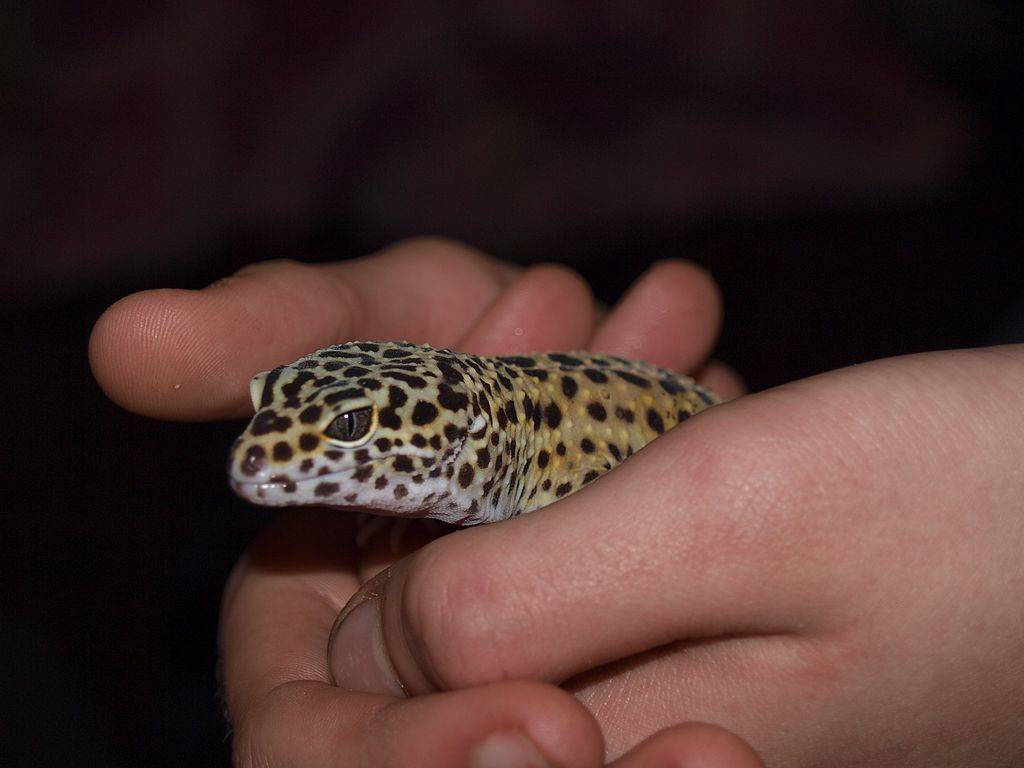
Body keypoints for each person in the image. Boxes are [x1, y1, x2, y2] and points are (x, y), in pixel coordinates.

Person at [89, 238, 1024, 767]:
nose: (266, 459)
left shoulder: (555, 478)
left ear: (452, 440)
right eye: (278, 415)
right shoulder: (469, 444)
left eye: (342, 432)